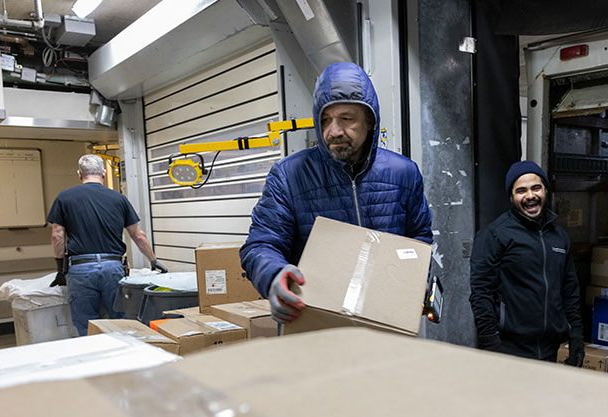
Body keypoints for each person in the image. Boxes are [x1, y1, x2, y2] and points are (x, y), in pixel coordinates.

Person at [240, 62, 433, 324]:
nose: (334, 131)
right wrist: (273, 275)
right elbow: (261, 244)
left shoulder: (404, 173)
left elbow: (418, 237)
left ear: (369, 121)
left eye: (347, 118)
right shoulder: (289, 175)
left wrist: (416, 277)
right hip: (314, 323)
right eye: (325, 120)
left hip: (385, 321)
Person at [469, 160, 585, 366]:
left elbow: (570, 290)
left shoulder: (559, 237)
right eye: (521, 191)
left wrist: (576, 335)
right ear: (512, 197)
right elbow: (481, 292)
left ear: (545, 191)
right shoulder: (494, 235)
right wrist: (490, 342)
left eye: (536, 188)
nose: (530, 196)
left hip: (550, 348)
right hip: (509, 348)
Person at [47, 154, 167, 336]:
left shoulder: (65, 197)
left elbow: (57, 235)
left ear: (80, 174)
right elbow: (138, 236)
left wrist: (59, 269)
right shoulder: (119, 199)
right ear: (103, 173)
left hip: (80, 269)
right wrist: (153, 261)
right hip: (113, 266)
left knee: (86, 324)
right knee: (119, 322)